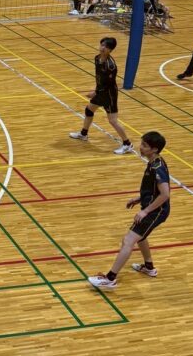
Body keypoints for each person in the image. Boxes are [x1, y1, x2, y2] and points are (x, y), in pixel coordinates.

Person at [88, 132, 170, 289]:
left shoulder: (157, 167)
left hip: (156, 211)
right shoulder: (154, 162)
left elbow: (165, 194)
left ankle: (110, 279)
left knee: (128, 240)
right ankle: (149, 267)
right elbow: (154, 190)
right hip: (152, 208)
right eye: (142, 143)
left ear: (154, 149)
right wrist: (139, 198)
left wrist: (145, 211)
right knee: (141, 236)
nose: (141, 147)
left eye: (145, 145)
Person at [68, 36, 134, 155]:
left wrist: (95, 92)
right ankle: (83, 134)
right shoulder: (97, 58)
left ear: (110, 50)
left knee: (113, 121)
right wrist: (97, 90)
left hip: (109, 94)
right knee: (89, 110)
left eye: (106, 47)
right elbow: (100, 79)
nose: (103, 48)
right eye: (102, 45)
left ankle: (127, 144)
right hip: (100, 91)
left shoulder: (110, 66)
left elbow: (109, 84)